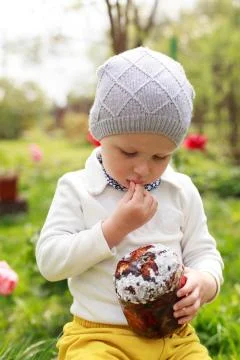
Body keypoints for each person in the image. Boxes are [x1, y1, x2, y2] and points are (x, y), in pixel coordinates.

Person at [36, 47, 224, 359]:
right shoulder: (78, 188)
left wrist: (205, 282)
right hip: (99, 337)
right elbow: (51, 261)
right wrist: (114, 229)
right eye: (128, 152)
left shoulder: (180, 191)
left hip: (175, 338)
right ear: (100, 135)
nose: (143, 168)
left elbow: (204, 252)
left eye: (160, 157)